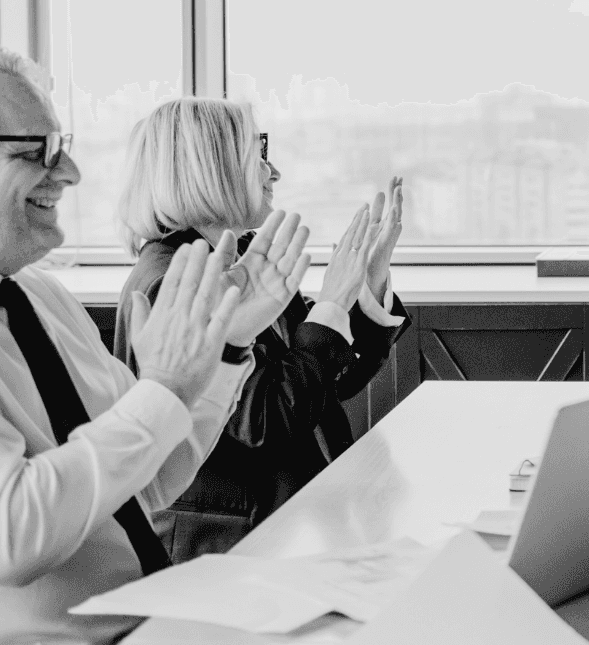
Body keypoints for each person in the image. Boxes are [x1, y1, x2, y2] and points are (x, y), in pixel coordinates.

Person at [0, 49, 311, 645]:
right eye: (38, 150)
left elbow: (155, 475)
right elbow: (13, 534)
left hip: (154, 634)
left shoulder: (44, 299)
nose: (71, 173)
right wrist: (165, 385)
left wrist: (227, 350)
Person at [114, 98, 411, 561]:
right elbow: (265, 420)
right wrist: (332, 303)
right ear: (212, 169)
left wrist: (362, 290)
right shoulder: (171, 280)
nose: (274, 174)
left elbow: (320, 384)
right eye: (260, 157)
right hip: (229, 549)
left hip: (288, 529)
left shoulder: (244, 254)